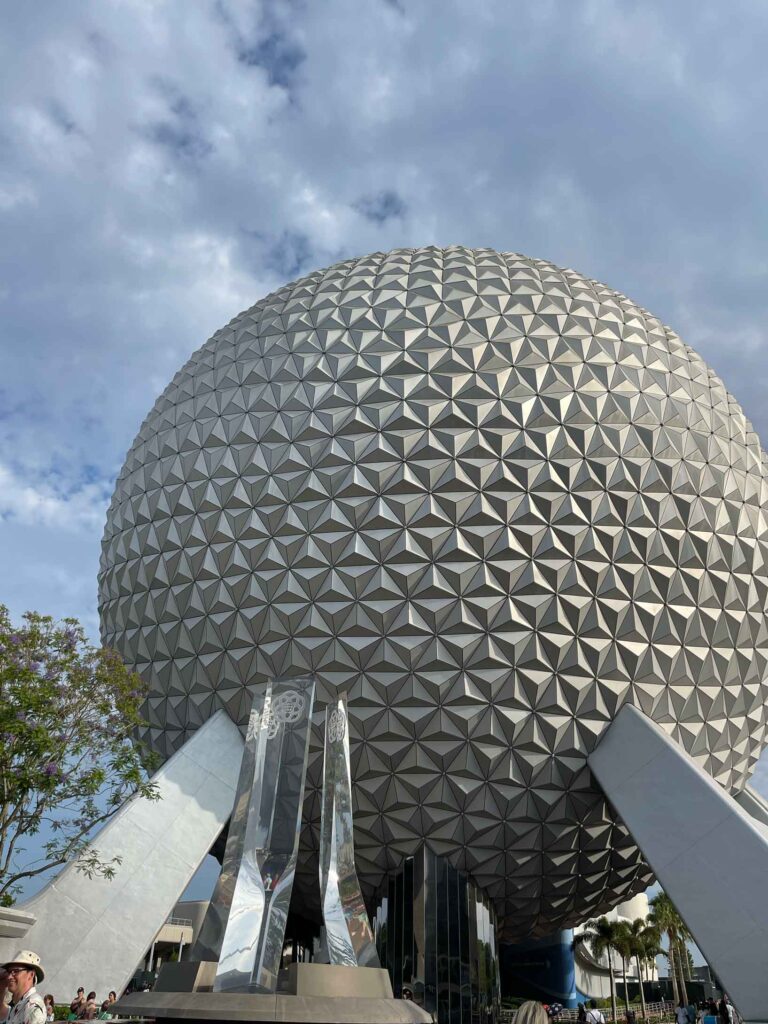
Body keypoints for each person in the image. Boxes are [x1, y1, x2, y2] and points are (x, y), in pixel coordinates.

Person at [0, 950, 47, 1024]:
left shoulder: (32, 1007)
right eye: (9, 972)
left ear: (31, 975)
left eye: (15, 971)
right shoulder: (20, 1004)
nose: (9, 977)